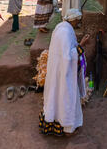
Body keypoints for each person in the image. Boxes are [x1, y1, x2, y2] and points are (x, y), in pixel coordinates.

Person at [39, 9, 90, 137]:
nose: (79, 22)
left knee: (56, 96)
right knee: (66, 97)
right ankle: (67, 128)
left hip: (57, 70)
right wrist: (82, 44)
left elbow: (66, 51)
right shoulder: (66, 32)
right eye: (78, 20)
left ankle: (58, 123)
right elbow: (69, 57)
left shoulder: (60, 27)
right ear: (73, 19)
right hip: (63, 72)